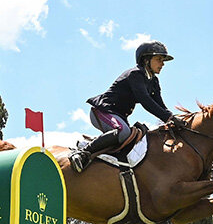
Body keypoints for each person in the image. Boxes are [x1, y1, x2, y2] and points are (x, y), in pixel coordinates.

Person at [69, 40, 184, 173]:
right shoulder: (135, 74)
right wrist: (169, 118)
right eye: (159, 59)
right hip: (102, 111)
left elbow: (160, 105)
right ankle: (83, 152)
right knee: (123, 133)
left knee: (133, 141)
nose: (162, 64)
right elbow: (146, 101)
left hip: (118, 116)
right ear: (146, 60)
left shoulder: (154, 81)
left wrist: (173, 119)